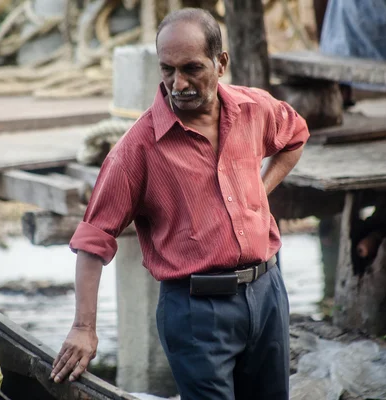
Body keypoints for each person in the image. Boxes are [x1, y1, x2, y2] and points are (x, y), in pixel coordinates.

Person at [50, 8, 309, 399]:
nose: (178, 83)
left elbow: (295, 135)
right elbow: (93, 239)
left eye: (191, 68)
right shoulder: (137, 148)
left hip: (268, 293)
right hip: (195, 311)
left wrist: (259, 190)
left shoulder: (253, 109)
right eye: (167, 69)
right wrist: (84, 328)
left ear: (221, 63)